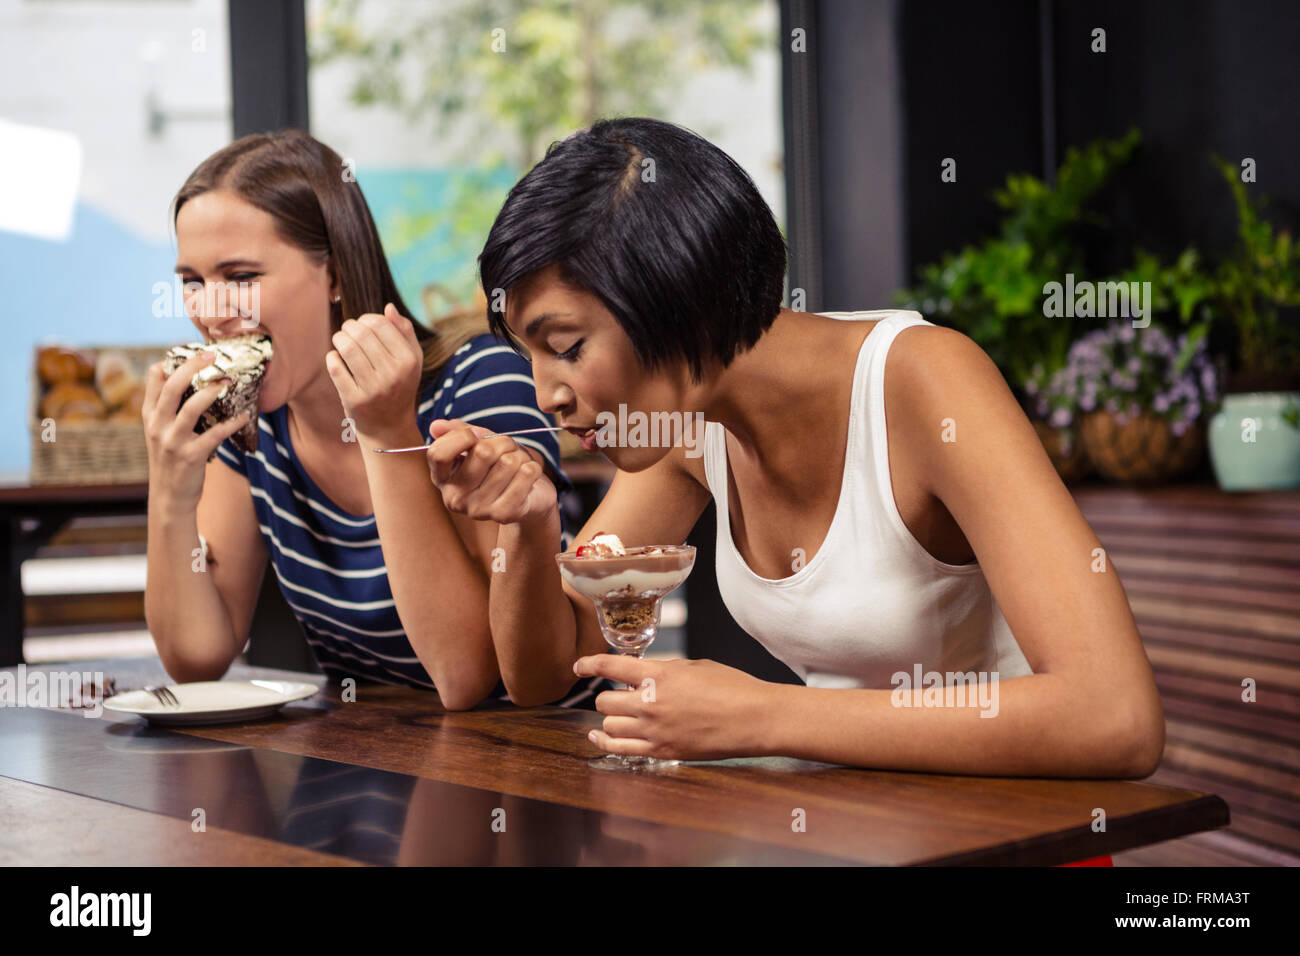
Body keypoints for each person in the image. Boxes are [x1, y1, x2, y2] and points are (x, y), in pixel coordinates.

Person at [426, 117, 1166, 777]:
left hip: (1012, 843)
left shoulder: (924, 383)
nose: (545, 394)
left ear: (679, 299)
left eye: (568, 345)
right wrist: (526, 525)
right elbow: (548, 671)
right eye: (532, 359)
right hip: (850, 834)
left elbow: (1115, 717)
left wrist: (763, 718)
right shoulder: (688, 429)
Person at [143, 128, 607, 710]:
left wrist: (386, 432)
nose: (210, 312)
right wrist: (170, 488)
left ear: (333, 275)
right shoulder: (249, 429)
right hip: (387, 761)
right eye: (192, 282)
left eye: (241, 277)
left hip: (549, 757)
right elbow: (196, 658)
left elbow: (467, 676)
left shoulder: (480, 381)